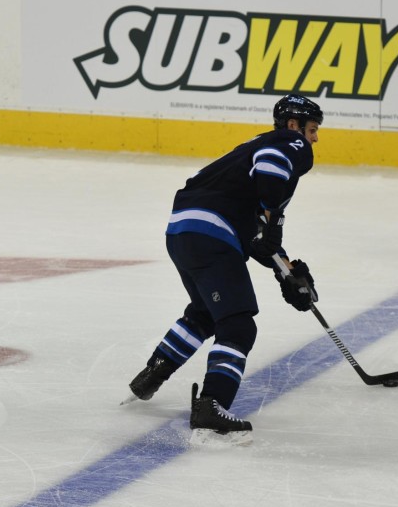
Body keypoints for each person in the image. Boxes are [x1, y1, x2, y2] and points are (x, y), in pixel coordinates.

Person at [124, 95, 323, 445]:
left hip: (184, 231)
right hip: (211, 233)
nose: (315, 138)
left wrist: (286, 271)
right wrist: (275, 221)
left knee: (206, 312)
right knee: (238, 324)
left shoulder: (246, 159)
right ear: (293, 125)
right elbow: (271, 167)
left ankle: (153, 373)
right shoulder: (287, 142)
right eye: (312, 129)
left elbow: (256, 235)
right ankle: (211, 405)